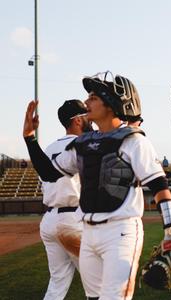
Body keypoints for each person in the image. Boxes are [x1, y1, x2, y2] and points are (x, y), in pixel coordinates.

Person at [23, 72, 171, 299]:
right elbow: (49, 173)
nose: (87, 102)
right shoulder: (83, 143)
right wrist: (30, 138)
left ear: (111, 103)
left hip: (120, 232)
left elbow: (159, 185)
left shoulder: (134, 140)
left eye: (93, 97)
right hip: (88, 233)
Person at [39, 100, 94, 300]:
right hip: (73, 220)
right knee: (99, 282)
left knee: (57, 282)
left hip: (50, 221)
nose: (91, 118)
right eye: (86, 115)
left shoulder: (48, 148)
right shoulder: (82, 145)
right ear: (78, 120)